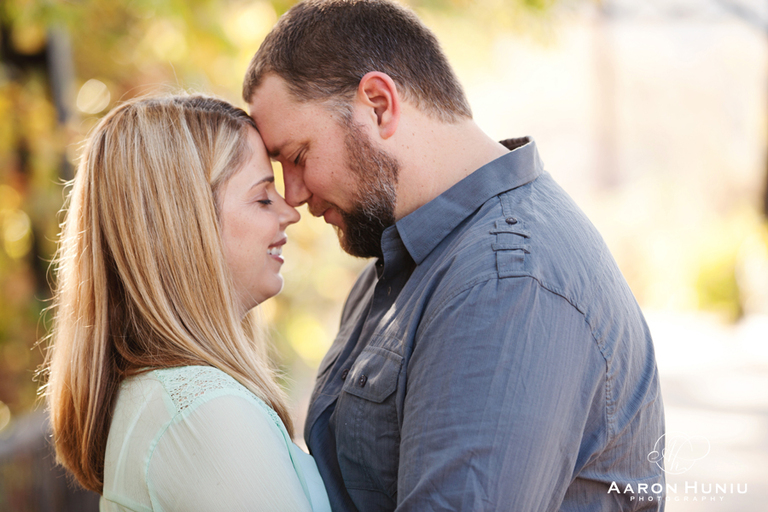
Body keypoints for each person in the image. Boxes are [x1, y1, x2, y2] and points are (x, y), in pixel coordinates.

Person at [242, 1, 666, 511]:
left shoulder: (505, 283)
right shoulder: (405, 257)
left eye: (299, 156)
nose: (294, 195)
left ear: (379, 105)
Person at [42, 95, 331, 512]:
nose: (291, 213)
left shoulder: (165, 397)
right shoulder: (202, 413)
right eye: (263, 197)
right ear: (185, 225)